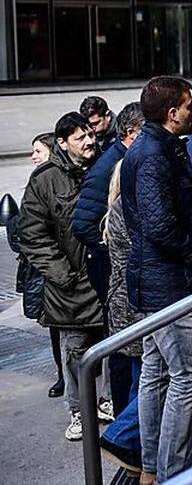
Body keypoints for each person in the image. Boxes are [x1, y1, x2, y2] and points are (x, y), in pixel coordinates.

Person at [122, 75, 192, 482]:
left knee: (156, 373)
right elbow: (159, 225)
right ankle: (170, 472)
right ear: (172, 112)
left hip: (158, 280)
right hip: (167, 284)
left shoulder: (157, 147)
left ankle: (150, 469)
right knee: (190, 376)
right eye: (189, 103)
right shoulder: (154, 154)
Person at [19, 112, 112, 441]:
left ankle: (106, 402)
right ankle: (78, 411)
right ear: (62, 143)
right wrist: (63, 274)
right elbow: (31, 234)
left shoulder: (106, 164)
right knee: (75, 353)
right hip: (68, 287)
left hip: (105, 278)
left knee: (114, 345)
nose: (89, 141)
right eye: (80, 137)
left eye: (90, 134)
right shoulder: (45, 179)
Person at [71, 102, 144, 436]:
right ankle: (122, 421)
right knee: (122, 347)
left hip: (118, 268)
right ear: (131, 133)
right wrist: (114, 248)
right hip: (112, 270)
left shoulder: (122, 156)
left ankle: (125, 418)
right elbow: (83, 224)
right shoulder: (110, 165)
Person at [98, 158, 145, 475]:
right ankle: (120, 437)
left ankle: (133, 450)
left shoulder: (115, 207)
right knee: (155, 378)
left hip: (121, 304)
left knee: (139, 374)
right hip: (134, 306)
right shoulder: (127, 210)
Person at [12, 133, 66, 398]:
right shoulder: (37, 183)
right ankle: (62, 374)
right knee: (54, 327)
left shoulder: (58, 181)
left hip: (57, 270)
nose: (33, 156)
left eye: (38, 151)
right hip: (44, 271)